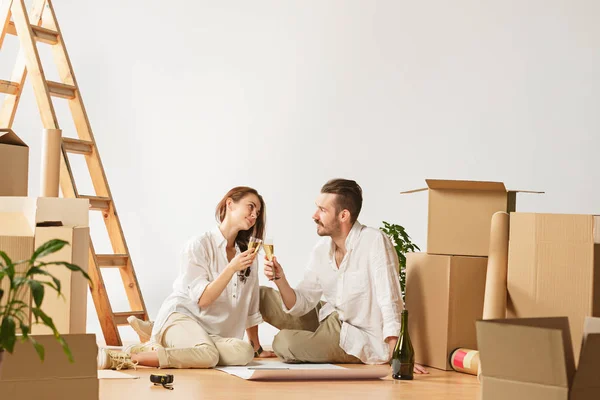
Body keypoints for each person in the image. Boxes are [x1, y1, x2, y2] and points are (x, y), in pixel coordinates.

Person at [98, 186, 275, 370]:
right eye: (251, 206)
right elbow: (203, 300)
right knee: (208, 355)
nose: (255, 214)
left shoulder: (247, 255)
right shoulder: (198, 246)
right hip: (185, 318)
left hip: (214, 334)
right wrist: (231, 268)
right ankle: (128, 356)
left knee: (244, 352)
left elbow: (250, 307)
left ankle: (161, 339)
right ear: (230, 204)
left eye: (258, 211)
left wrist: (256, 347)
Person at [261, 178, 427, 373]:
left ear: (343, 215)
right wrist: (280, 280)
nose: (314, 215)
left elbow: (389, 298)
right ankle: (310, 341)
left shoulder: (374, 241)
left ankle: (311, 342)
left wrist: (396, 352)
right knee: (261, 295)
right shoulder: (321, 250)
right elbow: (303, 302)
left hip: (356, 335)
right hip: (329, 316)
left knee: (284, 342)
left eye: (322, 210)